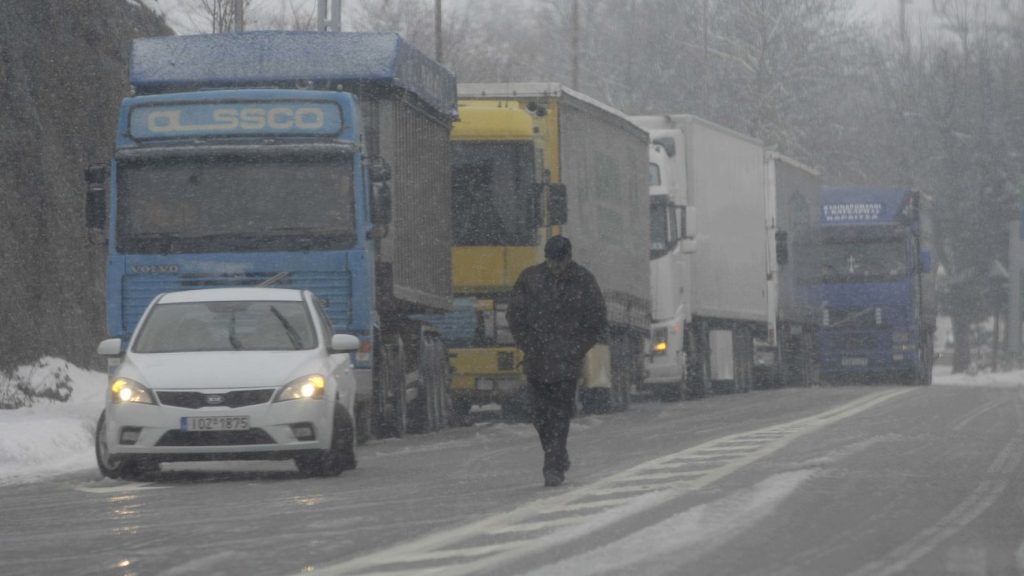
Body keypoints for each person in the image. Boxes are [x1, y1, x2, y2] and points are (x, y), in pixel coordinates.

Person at [507, 235, 607, 487]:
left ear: (568, 259)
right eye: (551, 263)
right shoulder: (530, 279)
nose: (555, 268)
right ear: (546, 258)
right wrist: (527, 344)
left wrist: (576, 349)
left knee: (560, 415)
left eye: (559, 263)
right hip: (537, 361)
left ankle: (552, 466)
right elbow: (514, 316)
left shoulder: (584, 281)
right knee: (539, 415)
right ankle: (557, 454)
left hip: (566, 364)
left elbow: (596, 321)